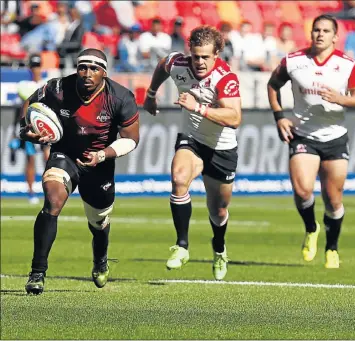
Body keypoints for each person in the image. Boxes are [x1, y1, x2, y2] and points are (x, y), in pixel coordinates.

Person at [20, 48, 140, 294]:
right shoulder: (58, 88)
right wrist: (27, 129)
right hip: (66, 155)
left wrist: (102, 154)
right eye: (83, 67)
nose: (87, 73)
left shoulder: (120, 97)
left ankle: (100, 260)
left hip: (100, 163)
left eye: (94, 69)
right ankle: (37, 273)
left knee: (98, 223)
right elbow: (30, 104)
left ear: (103, 73)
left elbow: (132, 139)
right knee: (52, 201)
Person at [267, 14, 355, 269]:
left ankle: (332, 247)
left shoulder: (348, 65)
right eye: (316, 30)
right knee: (302, 191)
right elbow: (273, 85)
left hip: (334, 137)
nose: (320, 34)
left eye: (325, 31)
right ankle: (311, 228)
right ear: (311, 34)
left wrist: (340, 98)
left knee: (333, 199)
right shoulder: (294, 61)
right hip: (303, 136)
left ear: (335, 36)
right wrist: (279, 116)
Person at [143, 25, 241, 280]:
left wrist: (199, 108)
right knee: (178, 179)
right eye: (195, 55)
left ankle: (219, 250)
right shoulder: (178, 63)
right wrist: (151, 94)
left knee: (218, 211)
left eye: (205, 57)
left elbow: (234, 117)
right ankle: (182, 246)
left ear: (217, 54)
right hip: (192, 140)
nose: (199, 62)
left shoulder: (225, 78)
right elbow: (163, 64)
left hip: (221, 149)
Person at [9, 53, 50, 204]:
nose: (36, 69)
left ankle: (50, 190)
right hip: (30, 127)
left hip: (45, 127)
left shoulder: (46, 83)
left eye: (38, 66)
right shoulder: (23, 84)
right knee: (31, 160)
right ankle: (31, 192)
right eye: (33, 66)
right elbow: (29, 96)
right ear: (30, 68)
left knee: (49, 159)